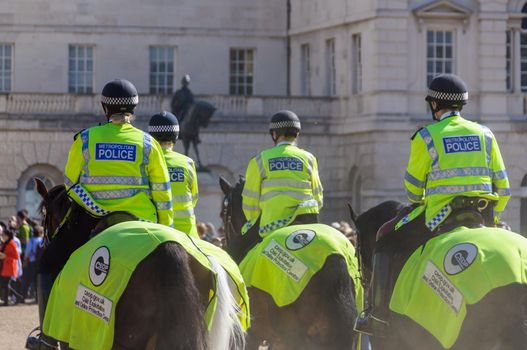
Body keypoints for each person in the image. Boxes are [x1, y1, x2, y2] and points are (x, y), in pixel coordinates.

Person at [355, 74, 511, 335]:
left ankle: (376, 315)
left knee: (383, 238)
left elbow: (414, 190)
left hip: (438, 219)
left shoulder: (426, 136)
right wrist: (493, 219)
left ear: (435, 105)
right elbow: (503, 188)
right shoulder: (486, 134)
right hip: (482, 217)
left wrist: (421, 199)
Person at [27, 79, 173, 350]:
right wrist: (168, 232)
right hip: (144, 223)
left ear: (105, 107)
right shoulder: (149, 144)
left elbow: (70, 185)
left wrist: (95, 200)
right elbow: (163, 194)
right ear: (134, 108)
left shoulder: (85, 139)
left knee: (48, 263)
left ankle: (47, 338)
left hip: (94, 222)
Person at [242, 110, 324, 237]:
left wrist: (254, 220)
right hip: (307, 225)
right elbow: (318, 196)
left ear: (274, 134)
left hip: (271, 227)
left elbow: (250, 201)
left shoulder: (259, 160)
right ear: (297, 134)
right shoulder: (309, 159)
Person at [148, 111, 199, 237]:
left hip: (157, 232)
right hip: (188, 234)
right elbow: (194, 198)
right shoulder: (188, 162)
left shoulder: (146, 162)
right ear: (176, 136)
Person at [0, 223, 20, 306]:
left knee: (6, 285)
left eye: (3, 235)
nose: (2, 236)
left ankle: (7, 301)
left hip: (9, 267)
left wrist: (5, 257)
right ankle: (11, 299)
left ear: (8, 236)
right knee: (4, 284)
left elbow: (16, 256)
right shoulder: (5, 243)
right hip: (4, 266)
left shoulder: (12, 243)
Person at [23, 225, 44, 301]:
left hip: (32, 261)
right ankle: (39, 297)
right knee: (40, 279)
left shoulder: (31, 240)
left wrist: (25, 259)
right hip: (41, 261)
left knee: (33, 279)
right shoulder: (42, 239)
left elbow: (27, 252)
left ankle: (35, 296)